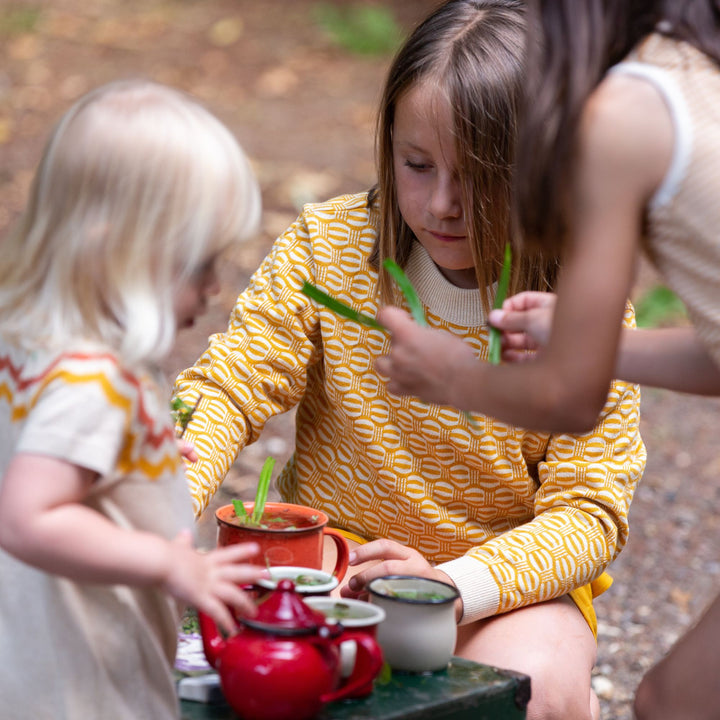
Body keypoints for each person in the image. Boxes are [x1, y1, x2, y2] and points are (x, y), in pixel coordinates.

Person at [174, 2, 646, 719]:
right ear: (388, 141)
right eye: (417, 165)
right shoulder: (326, 250)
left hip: (495, 592)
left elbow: (589, 512)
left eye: (482, 177)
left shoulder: (584, 304)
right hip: (337, 569)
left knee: (530, 685)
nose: (443, 204)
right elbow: (230, 384)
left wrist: (453, 586)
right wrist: (167, 494)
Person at [373, 1, 720, 718]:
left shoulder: (623, 115)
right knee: (669, 702)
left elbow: (573, 402)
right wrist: (605, 345)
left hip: (502, 601)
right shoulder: (696, 73)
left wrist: (450, 376)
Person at [0, 79, 268, 720]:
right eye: (198, 261)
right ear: (110, 245)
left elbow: (41, 454)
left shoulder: (27, 348)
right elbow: (27, 516)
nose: (213, 285)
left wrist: (127, 458)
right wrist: (173, 565)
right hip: (87, 691)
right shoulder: (93, 380)